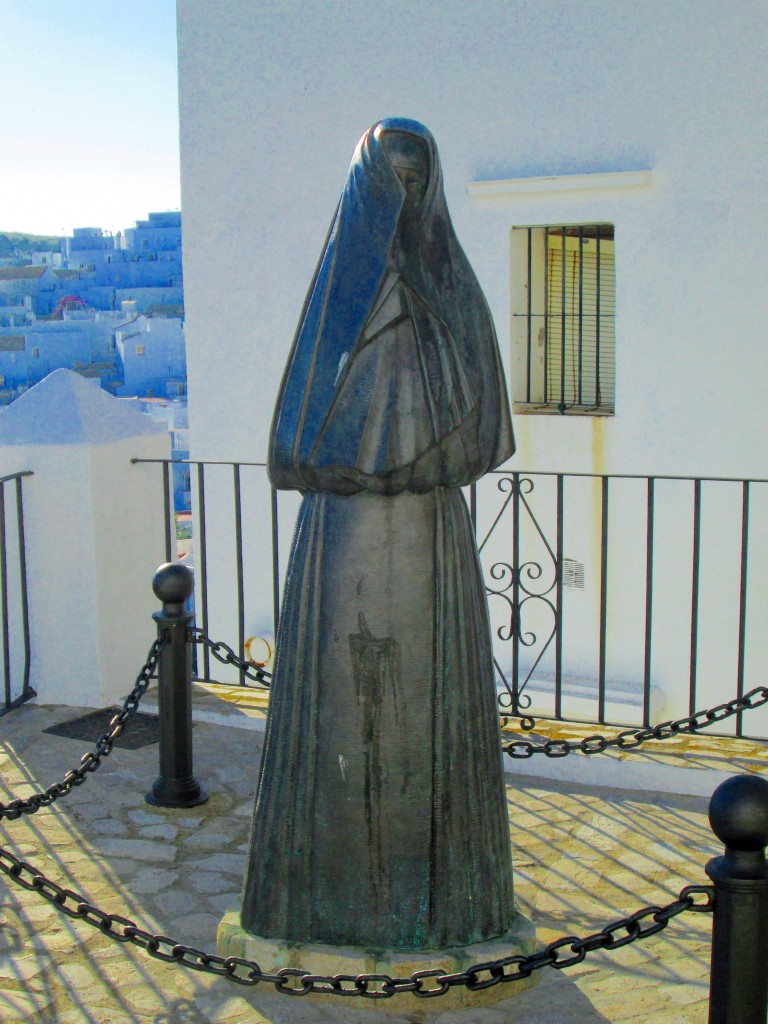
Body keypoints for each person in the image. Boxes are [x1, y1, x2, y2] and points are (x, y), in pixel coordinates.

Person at [241, 118, 516, 950]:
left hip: (429, 537)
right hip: (343, 543)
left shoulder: (452, 291)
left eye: (414, 177)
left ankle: (443, 908)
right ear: (365, 188)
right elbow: (297, 439)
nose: (402, 194)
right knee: (336, 728)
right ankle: (317, 905)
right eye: (387, 178)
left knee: (427, 724)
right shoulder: (335, 302)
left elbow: (486, 430)